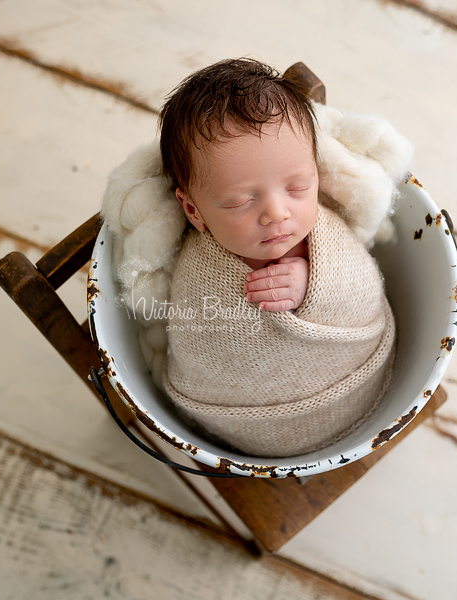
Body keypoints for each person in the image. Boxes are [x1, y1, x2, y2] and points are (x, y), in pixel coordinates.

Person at [155, 59, 397, 458]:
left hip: (361, 383)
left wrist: (315, 284)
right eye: (240, 201)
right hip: (250, 424)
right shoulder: (198, 275)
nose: (277, 214)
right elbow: (203, 350)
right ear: (194, 211)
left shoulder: (326, 235)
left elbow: (362, 287)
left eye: (298, 186)